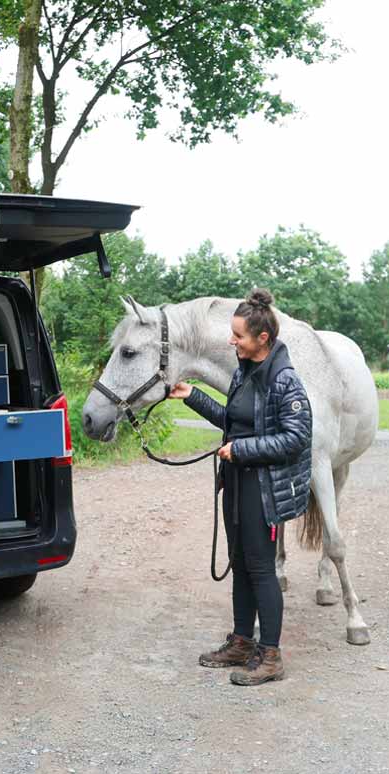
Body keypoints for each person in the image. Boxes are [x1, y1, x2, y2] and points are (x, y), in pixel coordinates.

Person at [168, 288, 312, 686]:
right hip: (236, 484)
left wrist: (243, 450)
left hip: (263, 491)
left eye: (239, 336)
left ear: (262, 339)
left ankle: (271, 656)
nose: (232, 341)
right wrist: (192, 396)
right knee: (241, 565)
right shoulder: (242, 373)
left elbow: (296, 438)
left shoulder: (285, 383)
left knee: (262, 569)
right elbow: (234, 424)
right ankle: (242, 642)